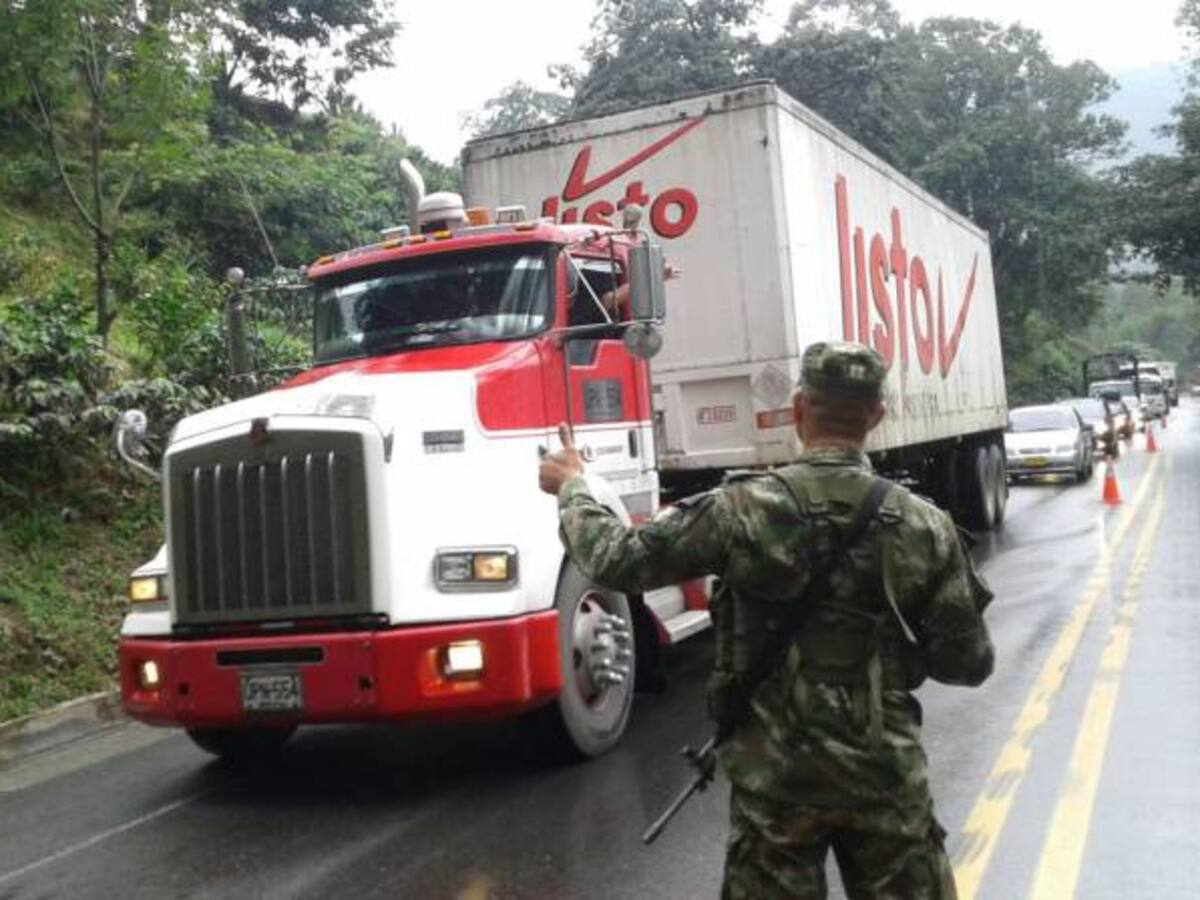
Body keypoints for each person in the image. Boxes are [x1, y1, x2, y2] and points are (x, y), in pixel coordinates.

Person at [538, 341, 994, 899]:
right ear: (878, 415)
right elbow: (968, 664)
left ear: (798, 409)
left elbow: (619, 560)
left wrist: (574, 487)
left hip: (775, 782)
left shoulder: (740, 509)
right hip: (886, 776)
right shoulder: (925, 526)